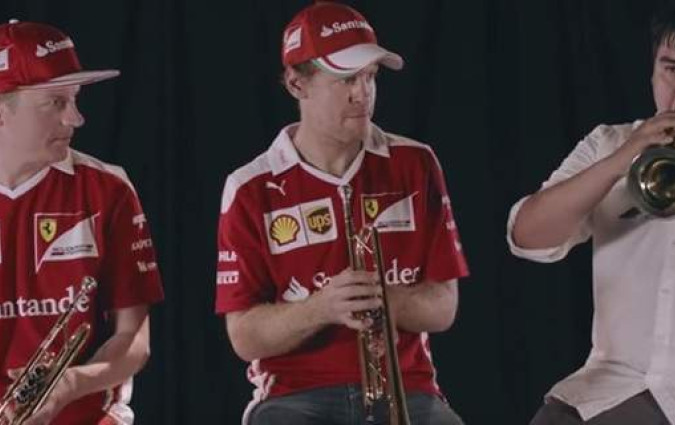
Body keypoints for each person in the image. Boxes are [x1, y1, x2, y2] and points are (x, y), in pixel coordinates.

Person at [215, 2, 469, 425]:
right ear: (297, 84)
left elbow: (444, 307)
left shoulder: (416, 163)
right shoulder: (250, 188)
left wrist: (384, 298)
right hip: (294, 398)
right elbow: (244, 337)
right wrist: (323, 307)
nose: (363, 94)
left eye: (370, 76)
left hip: (407, 390)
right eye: (347, 79)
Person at [506, 6, 675, 425]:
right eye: (670, 69)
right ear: (652, 72)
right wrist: (621, 161)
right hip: (620, 386)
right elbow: (527, 236)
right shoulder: (609, 143)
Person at [0, 20, 164, 425]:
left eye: (74, 100)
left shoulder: (108, 189)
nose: (76, 119)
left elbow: (134, 341)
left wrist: (69, 385)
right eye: (56, 103)